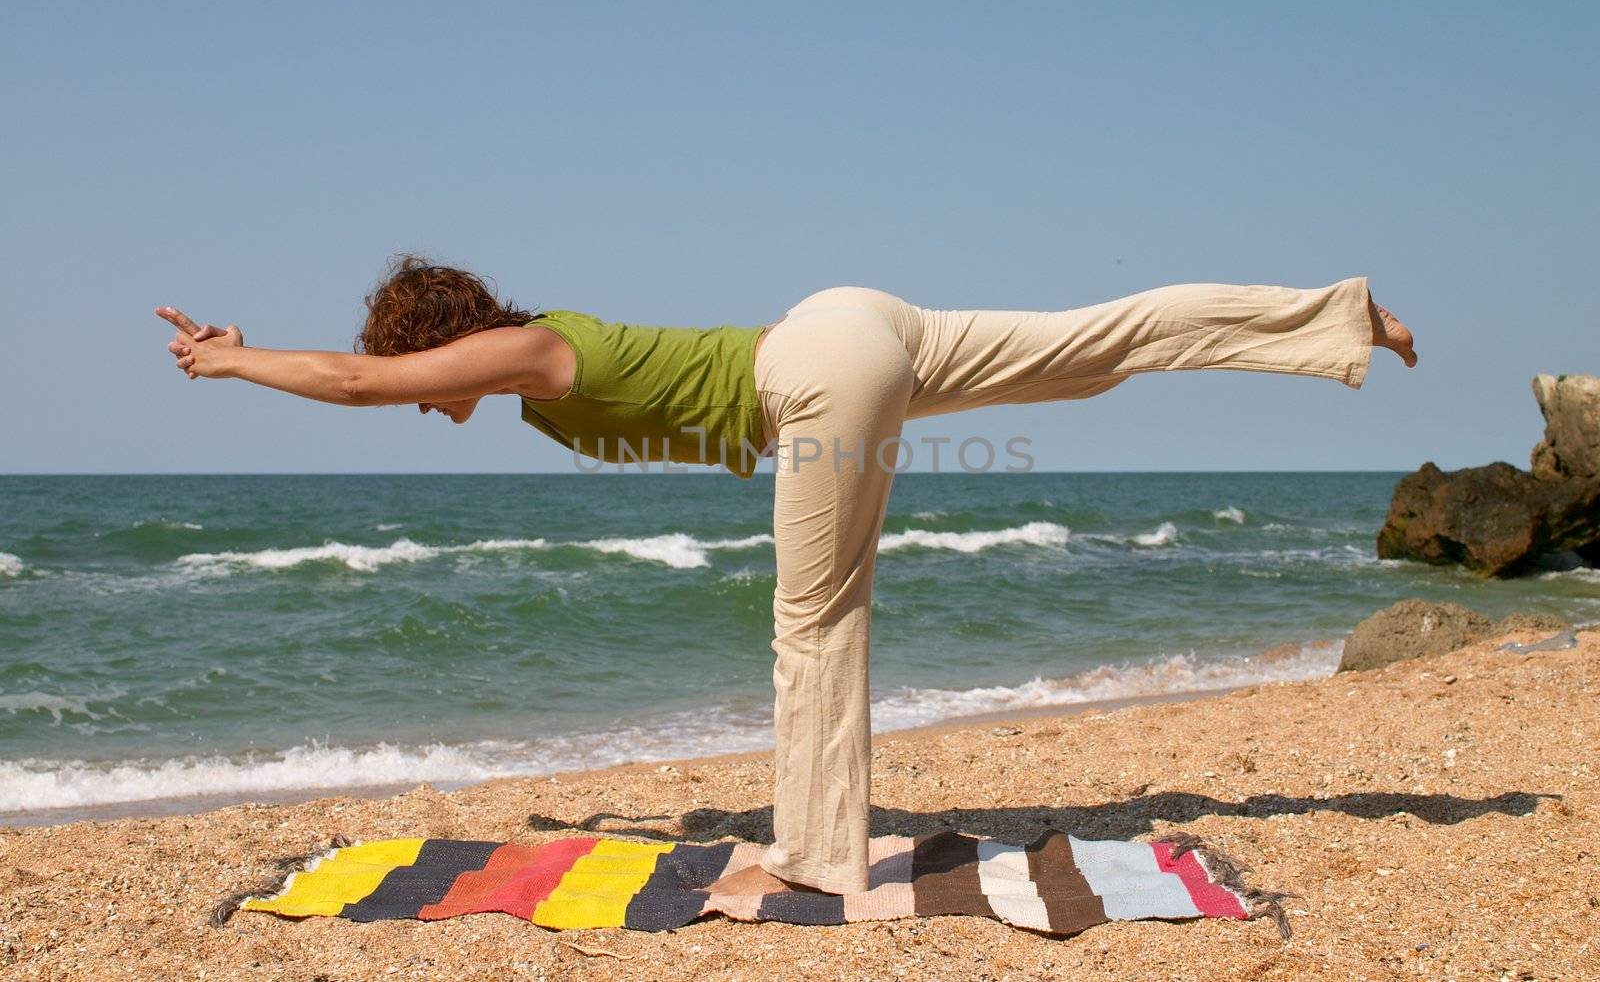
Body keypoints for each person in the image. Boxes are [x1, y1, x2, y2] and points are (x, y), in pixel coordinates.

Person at [156, 256, 1417, 897]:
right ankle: (1334, 317)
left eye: (421, 371)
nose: (424, 398)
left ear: (442, 343)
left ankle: (818, 855)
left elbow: (363, 383)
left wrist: (234, 361)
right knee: (1098, 342)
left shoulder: (527, 355)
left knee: (814, 619)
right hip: (854, 324)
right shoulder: (545, 354)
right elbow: (386, 384)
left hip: (816, 373)